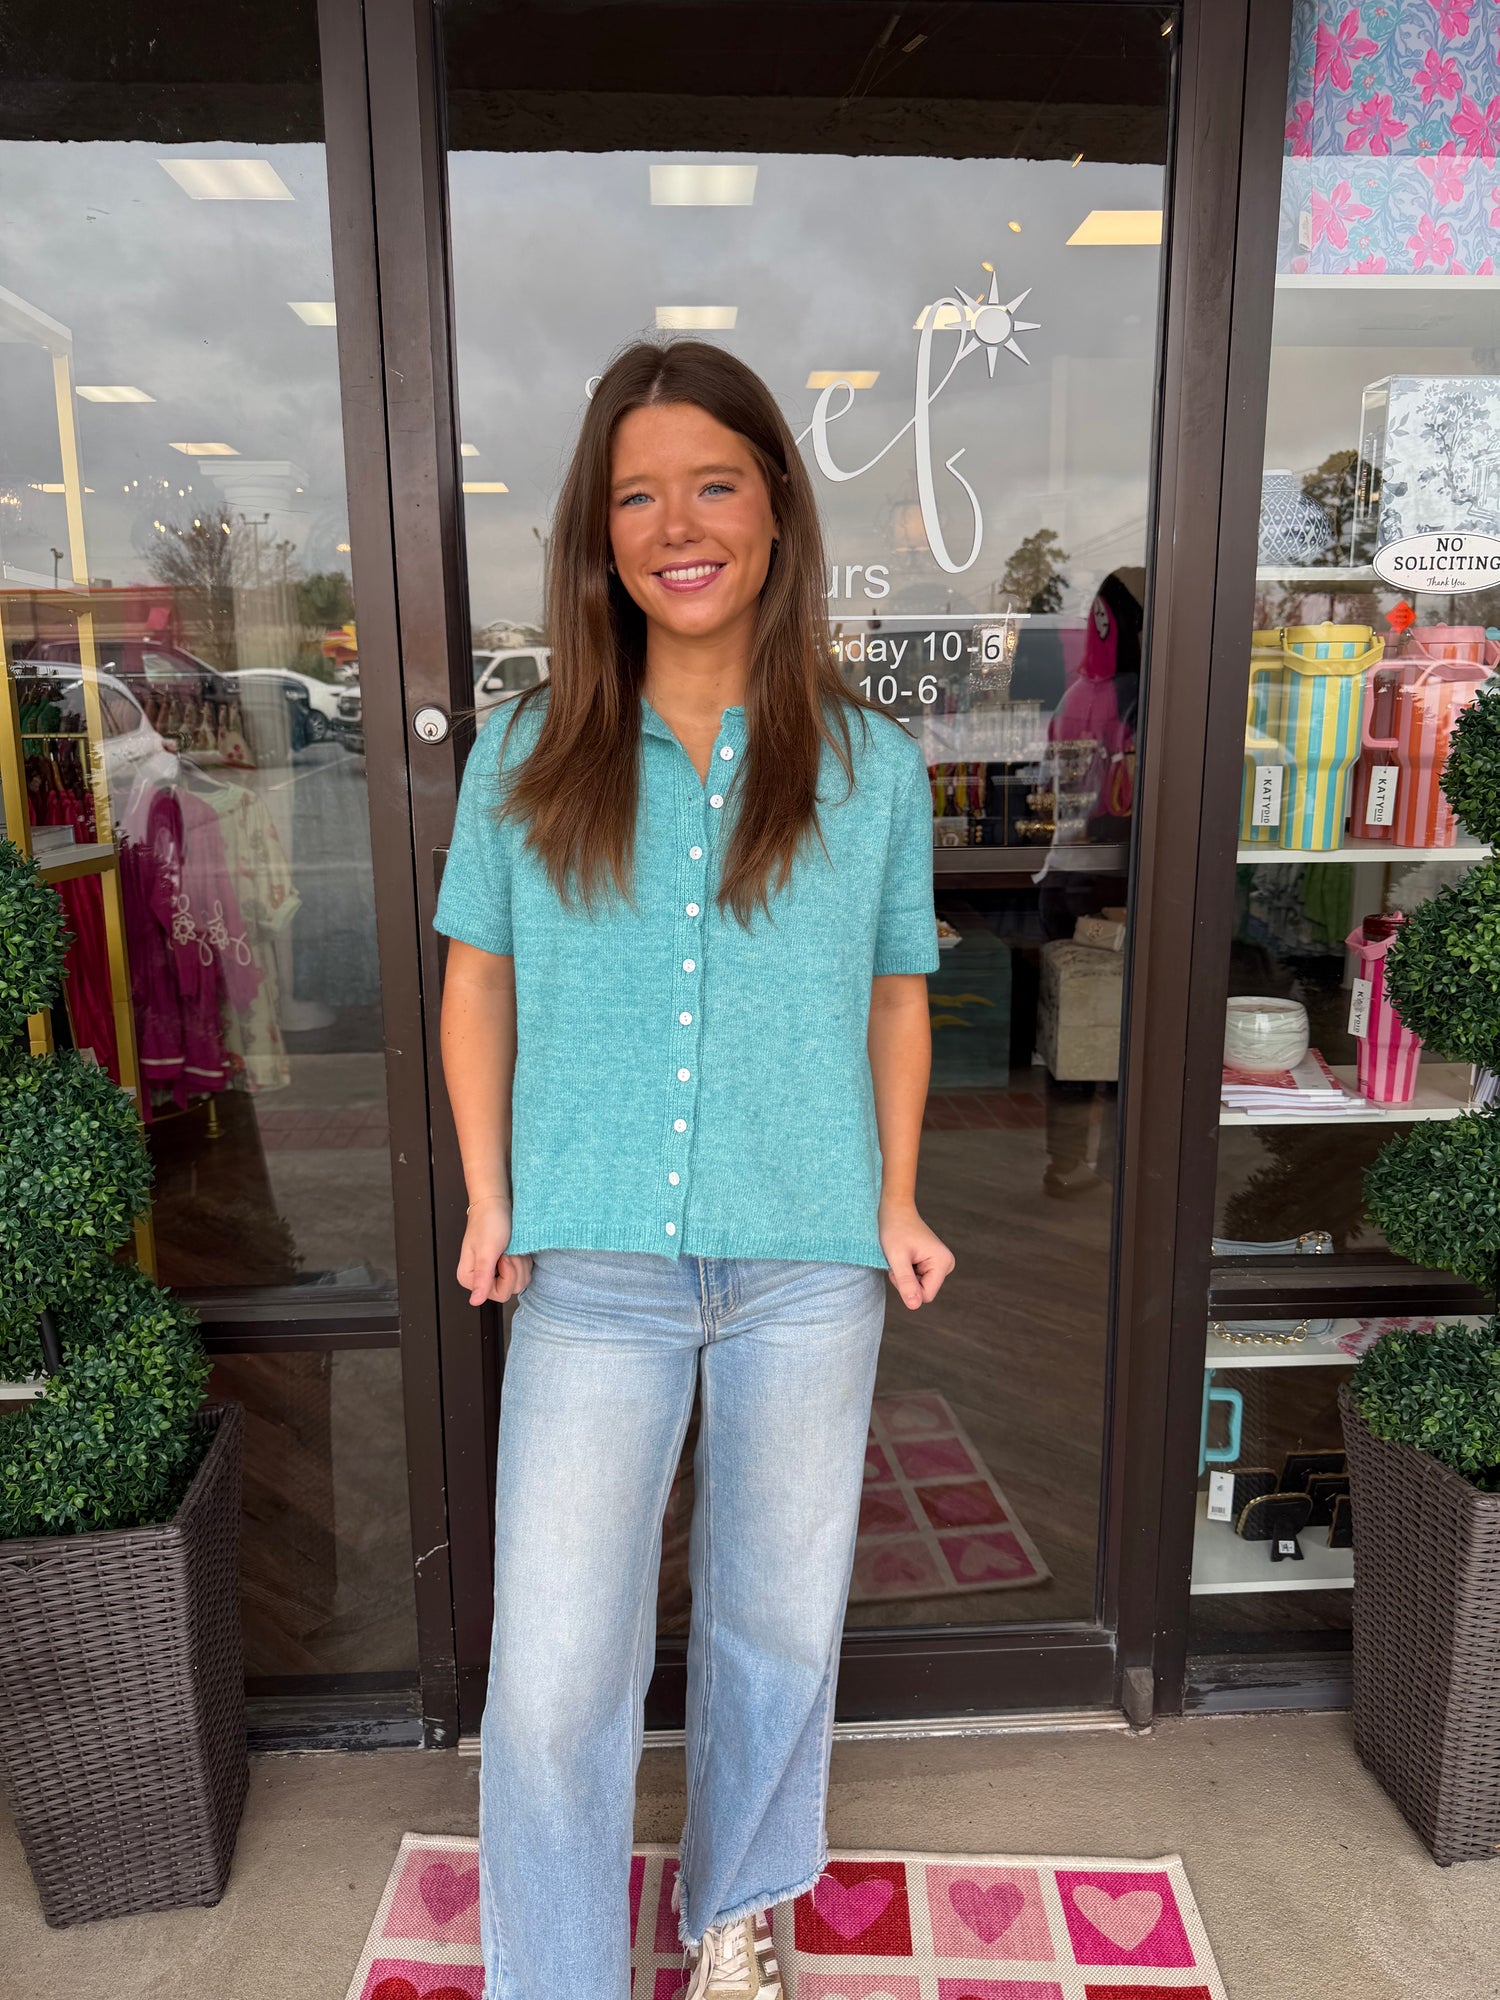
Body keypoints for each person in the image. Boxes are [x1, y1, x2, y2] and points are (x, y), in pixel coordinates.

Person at [434, 339, 953, 2000]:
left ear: (777, 507)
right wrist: (493, 1196)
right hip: (593, 1269)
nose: (678, 525)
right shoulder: (525, 754)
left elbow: (895, 997)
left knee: (776, 1629)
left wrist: (894, 1202)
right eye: (636, 495)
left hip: (808, 1262)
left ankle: (737, 1908)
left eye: (713, 483)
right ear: (598, 536)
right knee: (554, 1673)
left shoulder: (870, 768)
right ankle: (557, 1976)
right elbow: (479, 984)